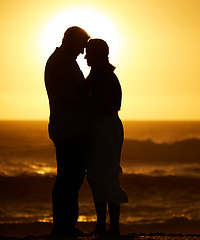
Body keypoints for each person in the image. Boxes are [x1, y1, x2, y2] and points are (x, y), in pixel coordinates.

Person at [44, 26, 90, 236]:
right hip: (69, 129)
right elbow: (82, 92)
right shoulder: (64, 62)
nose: (82, 52)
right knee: (70, 179)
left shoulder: (59, 59)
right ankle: (65, 227)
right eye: (81, 46)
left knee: (67, 177)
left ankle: (63, 226)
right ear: (71, 41)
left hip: (63, 127)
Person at [85, 39, 128, 236]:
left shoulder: (105, 77)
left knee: (105, 174)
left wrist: (84, 109)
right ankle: (104, 226)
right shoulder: (99, 75)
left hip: (106, 128)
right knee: (99, 174)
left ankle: (111, 227)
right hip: (103, 127)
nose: (85, 57)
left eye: (88, 53)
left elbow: (110, 107)